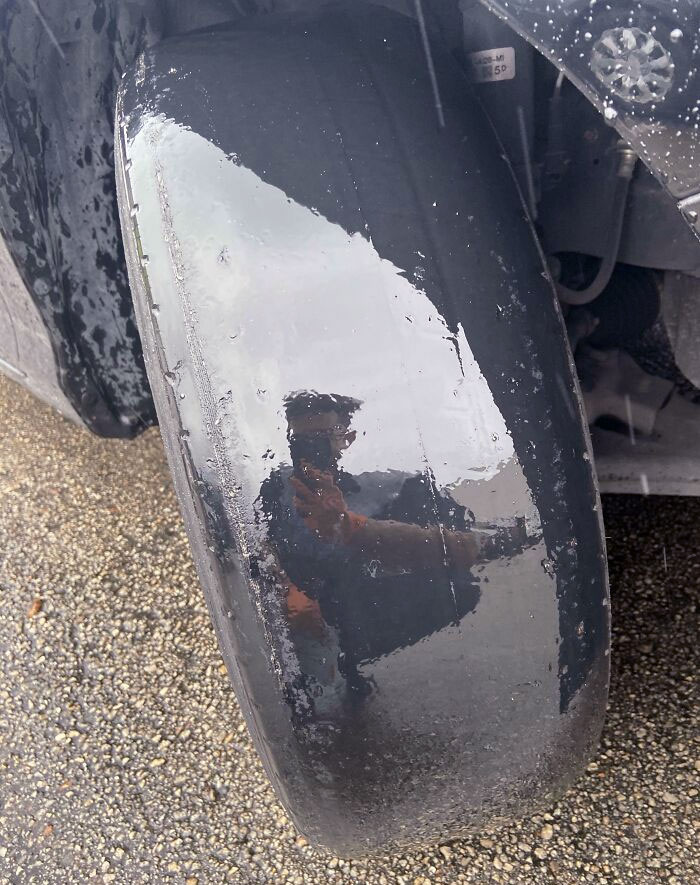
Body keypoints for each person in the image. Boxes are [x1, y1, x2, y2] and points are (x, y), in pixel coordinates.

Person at [256, 391, 529, 723]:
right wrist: (287, 586)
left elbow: (443, 539)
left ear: (346, 438)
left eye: (320, 438)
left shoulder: (391, 488)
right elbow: (256, 542)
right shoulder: (272, 487)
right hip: (295, 627)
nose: (308, 449)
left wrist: (350, 527)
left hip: (356, 611)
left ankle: (348, 674)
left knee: (463, 587)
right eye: (299, 440)